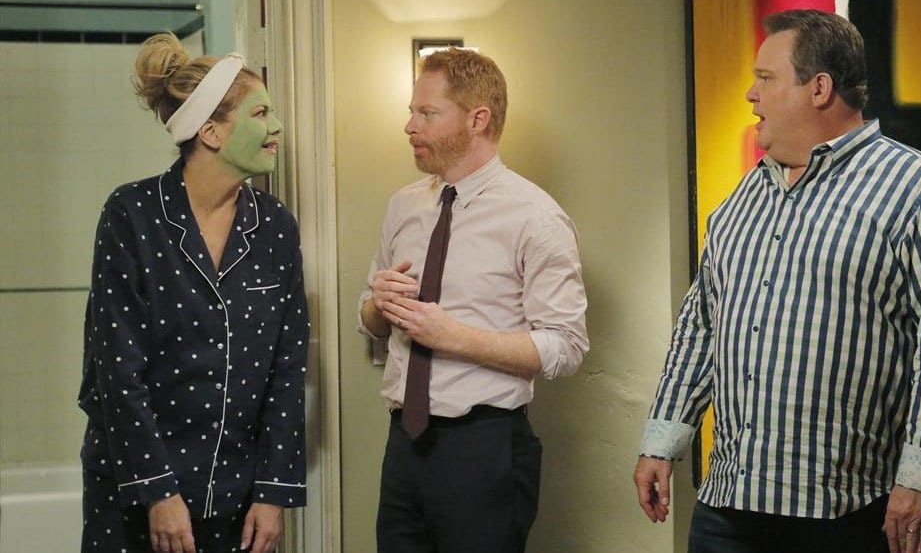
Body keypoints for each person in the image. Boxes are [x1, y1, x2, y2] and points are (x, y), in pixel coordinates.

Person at [633, 9, 921, 553]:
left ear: (819, 88)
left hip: (844, 514)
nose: (752, 94)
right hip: (727, 509)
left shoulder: (916, 190)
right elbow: (701, 326)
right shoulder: (743, 198)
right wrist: (663, 437)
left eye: (765, 78)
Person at [77, 33, 309, 553]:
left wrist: (273, 491)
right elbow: (115, 368)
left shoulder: (275, 227)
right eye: (260, 113)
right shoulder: (132, 215)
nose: (277, 127)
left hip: (238, 496)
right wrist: (158, 491)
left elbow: (287, 367)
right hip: (135, 491)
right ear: (210, 132)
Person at [358, 48, 589, 553]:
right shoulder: (403, 205)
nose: (409, 126)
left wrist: (454, 338)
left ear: (477, 119)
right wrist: (377, 305)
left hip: (484, 448)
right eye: (412, 111)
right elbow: (369, 320)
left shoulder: (536, 218)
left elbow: (566, 347)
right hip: (403, 445)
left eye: (427, 113)